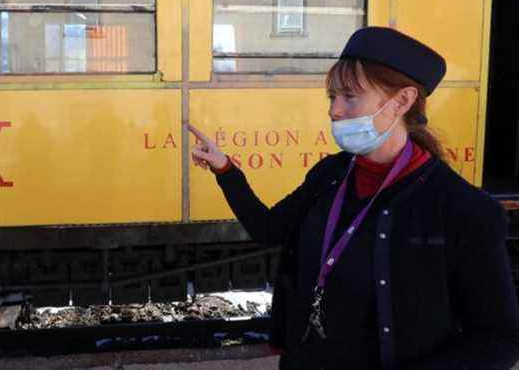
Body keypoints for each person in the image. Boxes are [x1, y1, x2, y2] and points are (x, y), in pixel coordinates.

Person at [189, 27, 519, 370]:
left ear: (402, 101)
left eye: (349, 97)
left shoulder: (463, 209)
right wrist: (226, 170)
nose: (334, 111)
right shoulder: (330, 174)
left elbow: (498, 340)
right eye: (332, 97)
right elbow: (268, 229)